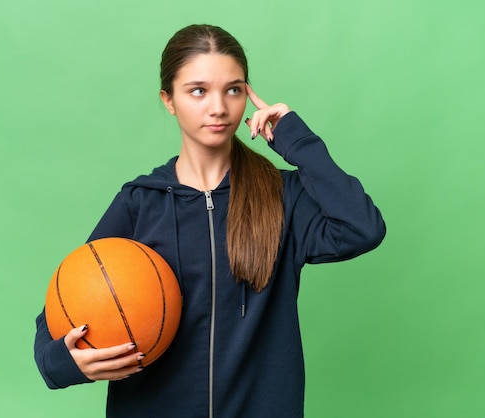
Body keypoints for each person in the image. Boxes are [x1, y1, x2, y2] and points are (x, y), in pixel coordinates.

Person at [34, 23, 386, 418]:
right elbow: (59, 312)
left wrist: (296, 140)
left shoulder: (283, 196)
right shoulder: (140, 202)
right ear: (168, 100)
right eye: (198, 91)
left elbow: (363, 228)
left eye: (233, 89)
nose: (218, 107)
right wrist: (63, 363)